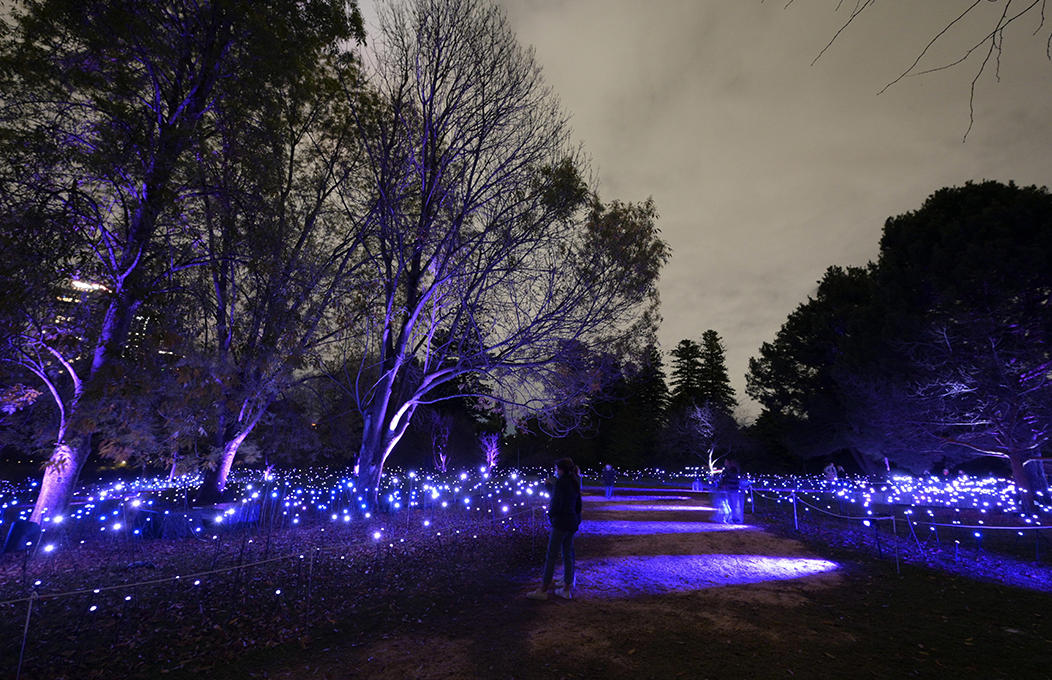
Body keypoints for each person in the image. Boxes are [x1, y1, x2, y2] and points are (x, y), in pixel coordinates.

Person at [527, 458, 583, 601]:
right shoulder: (574, 482)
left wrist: (551, 515)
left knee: (551, 555)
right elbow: (578, 505)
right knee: (568, 553)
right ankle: (566, 588)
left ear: (561, 470)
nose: (556, 472)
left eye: (557, 469)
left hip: (561, 522)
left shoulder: (561, 483)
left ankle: (543, 589)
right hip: (572, 522)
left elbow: (556, 503)